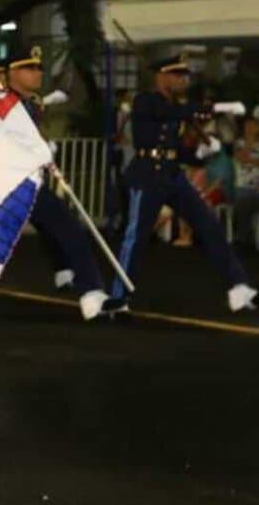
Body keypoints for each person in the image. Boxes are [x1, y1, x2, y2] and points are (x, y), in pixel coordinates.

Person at [0, 47, 123, 341]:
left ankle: (91, 295)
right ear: (9, 74)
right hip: (0, 190)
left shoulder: (28, 103)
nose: (37, 74)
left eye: (38, 68)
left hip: (30, 185)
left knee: (70, 229)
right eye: (29, 68)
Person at [109, 54, 256, 314]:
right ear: (161, 76)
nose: (181, 80)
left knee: (209, 226)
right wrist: (217, 108)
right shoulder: (146, 101)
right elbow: (164, 113)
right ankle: (119, 295)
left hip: (172, 174)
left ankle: (238, 287)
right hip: (146, 175)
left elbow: (174, 148)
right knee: (136, 237)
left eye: (182, 75)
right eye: (176, 75)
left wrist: (200, 153)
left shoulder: (177, 106)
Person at [233, 115, 259, 248]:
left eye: (253, 126)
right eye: (247, 126)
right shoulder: (239, 143)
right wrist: (249, 141)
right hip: (243, 188)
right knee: (243, 199)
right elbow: (241, 158)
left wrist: (250, 160)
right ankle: (243, 238)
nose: (250, 129)